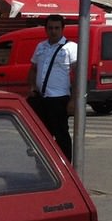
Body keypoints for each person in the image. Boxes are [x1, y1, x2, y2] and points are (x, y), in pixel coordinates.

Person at [27, 15, 77, 161]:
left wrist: (73, 100)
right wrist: (32, 87)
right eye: (50, 28)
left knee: (61, 135)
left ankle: (65, 165)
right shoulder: (41, 46)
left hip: (59, 99)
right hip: (41, 98)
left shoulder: (71, 48)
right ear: (45, 29)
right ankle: (43, 165)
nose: (53, 31)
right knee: (41, 135)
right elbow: (33, 68)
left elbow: (77, 75)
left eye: (56, 28)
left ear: (62, 29)